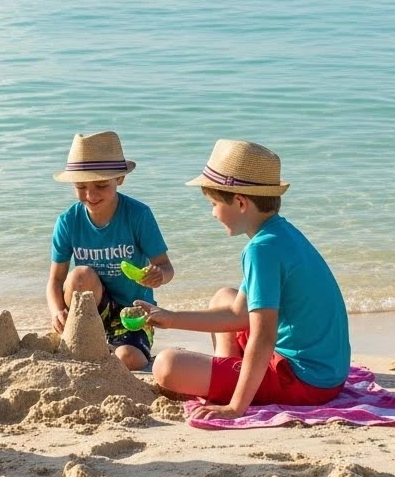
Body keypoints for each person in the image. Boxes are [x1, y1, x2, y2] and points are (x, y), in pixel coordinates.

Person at [138, 140, 350, 420]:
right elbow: (238, 314)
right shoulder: (280, 233)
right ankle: (227, 371)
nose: (212, 213)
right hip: (326, 372)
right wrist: (170, 317)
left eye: (214, 204)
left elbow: (263, 337)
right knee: (224, 296)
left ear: (240, 202)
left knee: (167, 366)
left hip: (304, 380)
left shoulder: (261, 250)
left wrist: (235, 407)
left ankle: (229, 384)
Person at [47, 131, 174, 370]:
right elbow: (55, 281)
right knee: (80, 275)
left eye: (102, 185)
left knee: (129, 359)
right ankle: (87, 337)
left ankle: (107, 348)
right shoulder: (68, 221)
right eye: (81, 186)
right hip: (92, 308)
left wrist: (159, 275)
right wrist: (57, 311)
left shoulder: (138, 215)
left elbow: (166, 267)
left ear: (120, 179)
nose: (91, 195)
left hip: (134, 310)